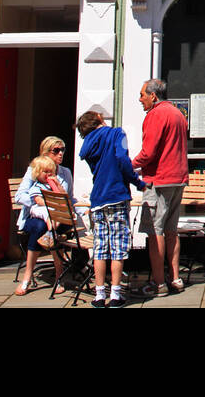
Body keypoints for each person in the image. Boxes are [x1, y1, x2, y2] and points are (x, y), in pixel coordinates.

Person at [77, 110, 148, 307]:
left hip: (97, 199)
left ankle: (100, 295)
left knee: (100, 248)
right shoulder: (117, 133)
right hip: (116, 196)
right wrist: (137, 183)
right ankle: (116, 294)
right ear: (99, 119)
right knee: (118, 248)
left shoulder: (89, 142)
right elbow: (122, 160)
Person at [132, 78, 189, 297]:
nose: (140, 99)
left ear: (153, 96)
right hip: (178, 177)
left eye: (142, 94)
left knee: (155, 231)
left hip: (160, 179)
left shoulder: (155, 115)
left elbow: (148, 152)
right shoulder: (177, 114)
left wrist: (127, 165)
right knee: (171, 230)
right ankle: (175, 278)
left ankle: (158, 284)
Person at [12, 136, 75, 295]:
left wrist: (78, 209)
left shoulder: (65, 173)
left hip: (59, 217)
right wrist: (41, 202)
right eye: (56, 150)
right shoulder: (35, 171)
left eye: (62, 150)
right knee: (40, 227)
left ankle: (58, 275)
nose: (61, 154)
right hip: (35, 217)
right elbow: (19, 196)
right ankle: (28, 276)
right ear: (45, 153)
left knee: (55, 228)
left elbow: (70, 198)